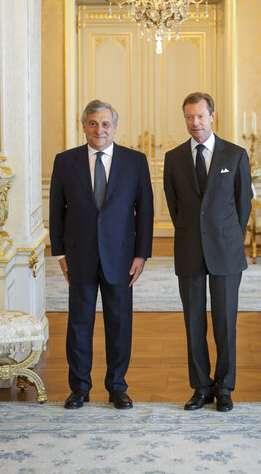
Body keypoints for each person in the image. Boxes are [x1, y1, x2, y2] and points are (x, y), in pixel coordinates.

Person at [49, 99, 154, 410]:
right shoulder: (65, 161)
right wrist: (60, 254)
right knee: (79, 324)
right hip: (79, 256)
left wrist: (142, 254)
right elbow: (57, 211)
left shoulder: (135, 161)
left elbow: (144, 212)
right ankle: (79, 388)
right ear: (84, 126)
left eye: (105, 123)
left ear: (114, 127)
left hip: (121, 258)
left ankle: (117, 387)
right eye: (93, 123)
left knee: (119, 324)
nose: (99, 129)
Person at [163, 92, 252, 412]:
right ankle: (201, 386)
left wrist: (227, 237)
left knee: (226, 322)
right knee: (194, 322)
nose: (194, 123)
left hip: (226, 252)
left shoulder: (236, 154)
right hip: (189, 250)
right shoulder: (173, 158)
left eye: (200, 116)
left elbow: (243, 205)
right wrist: (194, 234)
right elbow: (174, 207)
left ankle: (225, 387)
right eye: (189, 117)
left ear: (212, 116)